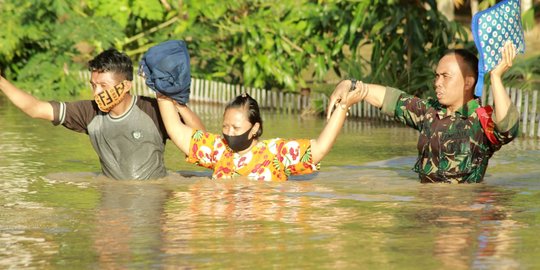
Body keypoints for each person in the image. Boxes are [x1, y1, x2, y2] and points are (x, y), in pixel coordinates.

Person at [327, 42, 519, 183]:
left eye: (445, 76)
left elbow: (507, 128)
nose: (437, 83)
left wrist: (495, 76)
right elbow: (390, 99)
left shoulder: (480, 120)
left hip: (463, 215)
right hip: (426, 210)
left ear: (468, 82)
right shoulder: (429, 112)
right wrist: (351, 85)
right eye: (436, 76)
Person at [0, 48, 204, 180]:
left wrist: (177, 103)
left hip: (153, 195)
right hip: (112, 197)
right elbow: (35, 109)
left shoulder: (152, 109)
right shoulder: (89, 112)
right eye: (93, 85)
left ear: (125, 86)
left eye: (103, 86)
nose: (96, 92)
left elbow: (202, 142)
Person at [156, 87, 368, 181]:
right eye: (225, 126)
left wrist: (342, 109)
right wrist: (162, 90)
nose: (229, 133)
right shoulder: (219, 149)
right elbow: (176, 130)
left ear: (255, 129)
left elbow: (320, 148)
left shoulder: (276, 153)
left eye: (236, 128)